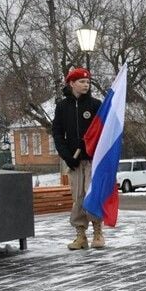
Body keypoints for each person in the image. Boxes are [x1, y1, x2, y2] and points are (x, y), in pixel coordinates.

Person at [52, 67, 103, 250]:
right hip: (74, 161)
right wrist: (67, 156)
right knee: (78, 197)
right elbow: (57, 133)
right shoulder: (62, 106)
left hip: (91, 159)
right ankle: (81, 234)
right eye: (82, 82)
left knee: (92, 195)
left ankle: (98, 231)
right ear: (71, 83)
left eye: (88, 82)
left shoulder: (96, 105)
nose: (86, 85)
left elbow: (101, 131)